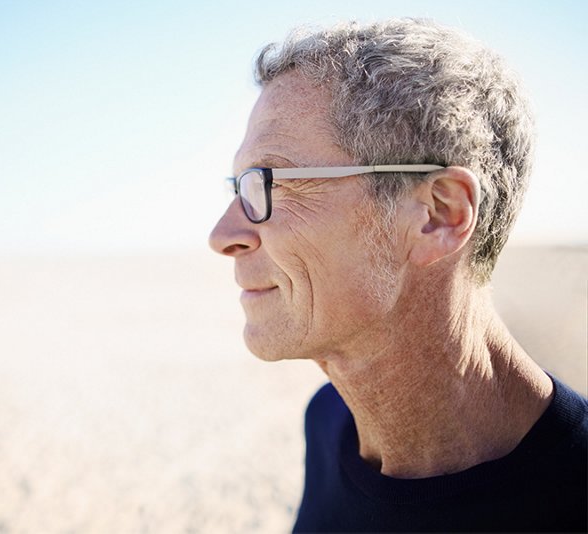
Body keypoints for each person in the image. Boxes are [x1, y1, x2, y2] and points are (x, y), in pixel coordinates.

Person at [207, 18, 588, 532]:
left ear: (438, 215)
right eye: (239, 185)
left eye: (268, 182)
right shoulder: (329, 424)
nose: (223, 233)